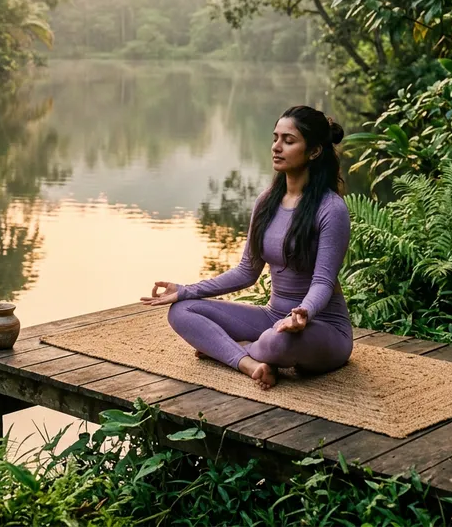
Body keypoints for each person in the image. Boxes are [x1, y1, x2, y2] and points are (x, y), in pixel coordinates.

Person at [141, 105, 353, 390]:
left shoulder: (330, 209)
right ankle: (248, 362)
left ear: (314, 151)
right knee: (182, 311)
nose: (276, 147)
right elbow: (246, 272)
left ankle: (231, 348)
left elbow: (323, 282)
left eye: (288, 141)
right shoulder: (266, 202)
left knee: (276, 342)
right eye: (275, 138)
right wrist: (185, 290)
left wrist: (303, 312)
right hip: (272, 317)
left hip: (322, 326)